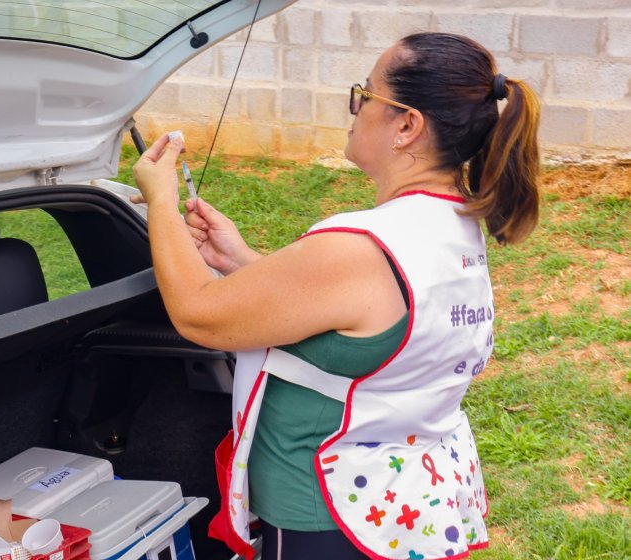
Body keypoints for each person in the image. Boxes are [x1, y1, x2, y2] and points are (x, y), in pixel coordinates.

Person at [132, 32, 540, 560]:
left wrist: (160, 199)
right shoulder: (449, 223)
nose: (355, 108)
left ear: (406, 124)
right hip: (403, 507)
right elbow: (370, 323)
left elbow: (199, 315)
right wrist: (245, 265)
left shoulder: (359, 248)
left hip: (327, 516)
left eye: (365, 95)